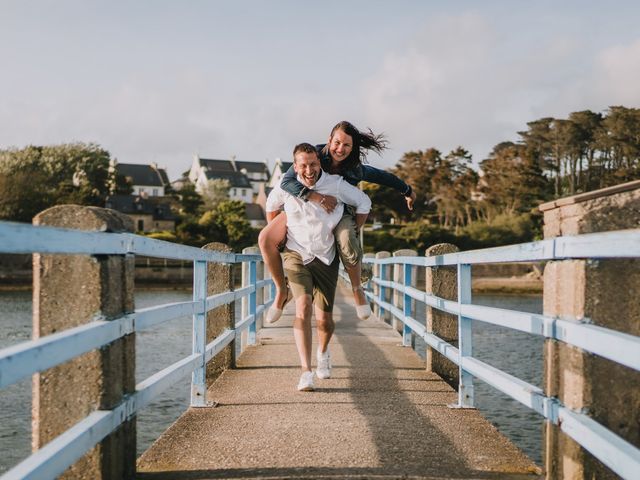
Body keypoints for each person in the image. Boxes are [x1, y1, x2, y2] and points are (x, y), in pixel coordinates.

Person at [259, 121, 416, 323]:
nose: (340, 149)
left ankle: (357, 289)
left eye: (346, 145)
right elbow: (287, 182)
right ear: (329, 140)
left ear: (352, 148)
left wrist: (407, 190)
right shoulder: (313, 156)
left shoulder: (354, 169)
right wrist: (316, 199)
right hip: (303, 209)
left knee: (347, 238)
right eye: (337, 142)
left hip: (337, 213)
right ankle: (281, 290)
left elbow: (381, 177)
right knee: (265, 237)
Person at [265, 142, 371, 391]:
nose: (309, 170)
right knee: (302, 308)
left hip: (326, 257)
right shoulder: (285, 186)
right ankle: (305, 371)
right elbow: (271, 207)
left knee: (324, 321)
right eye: (303, 165)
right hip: (296, 255)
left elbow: (364, 202)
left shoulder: (335, 184)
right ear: (295, 166)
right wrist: (281, 234)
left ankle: (323, 353)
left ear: (318, 162)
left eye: (313, 164)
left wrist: (352, 230)